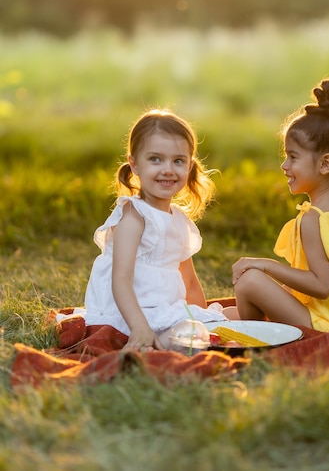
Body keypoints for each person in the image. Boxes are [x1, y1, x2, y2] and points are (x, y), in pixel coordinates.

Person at [232, 77, 329, 335]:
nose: (284, 165)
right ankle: (251, 325)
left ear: (325, 164)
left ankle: (256, 338)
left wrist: (266, 265)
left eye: (293, 157)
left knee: (249, 281)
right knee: (227, 313)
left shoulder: (313, 219)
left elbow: (322, 286)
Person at [84, 108, 227, 351]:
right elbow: (120, 280)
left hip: (164, 310)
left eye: (178, 161)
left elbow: (190, 282)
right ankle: (148, 349)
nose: (168, 169)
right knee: (191, 335)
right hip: (130, 315)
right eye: (155, 159)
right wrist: (140, 327)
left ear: (190, 166)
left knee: (224, 318)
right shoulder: (134, 216)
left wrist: (202, 317)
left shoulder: (179, 221)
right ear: (135, 164)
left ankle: (169, 344)